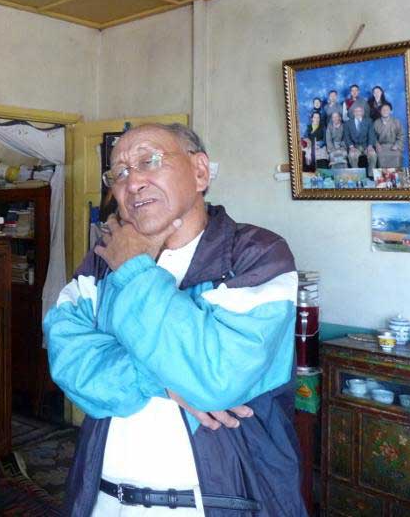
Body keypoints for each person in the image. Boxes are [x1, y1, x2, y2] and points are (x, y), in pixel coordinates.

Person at [45, 123, 304, 516]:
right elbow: (70, 365)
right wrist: (169, 383)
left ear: (200, 172)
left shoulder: (256, 254)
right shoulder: (99, 264)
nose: (132, 183)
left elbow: (217, 377)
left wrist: (134, 268)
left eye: (149, 161)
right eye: (119, 172)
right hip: (104, 500)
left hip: (219, 503)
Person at [344, 104, 377, 174]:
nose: (358, 113)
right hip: (354, 147)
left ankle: (371, 174)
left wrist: (370, 145)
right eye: (356, 111)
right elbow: (346, 136)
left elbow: (371, 134)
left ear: (363, 112)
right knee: (352, 156)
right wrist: (351, 146)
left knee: (373, 155)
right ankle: (357, 174)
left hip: (366, 146)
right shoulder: (348, 123)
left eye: (360, 111)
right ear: (353, 113)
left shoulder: (369, 121)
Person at [373, 102, 404, 168]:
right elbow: (373, 137)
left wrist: (397, 145)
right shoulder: (376, 122)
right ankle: (382, 178)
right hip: (382, 147)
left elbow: (401, 135)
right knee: (380, 156)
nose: (385, 111)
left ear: (390, 111)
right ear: (380, 111)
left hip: (393, 146)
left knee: (397, 155)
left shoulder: (396, 121)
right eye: (383, 110)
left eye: (387, 110)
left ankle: (396, 177)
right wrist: (377, 145)